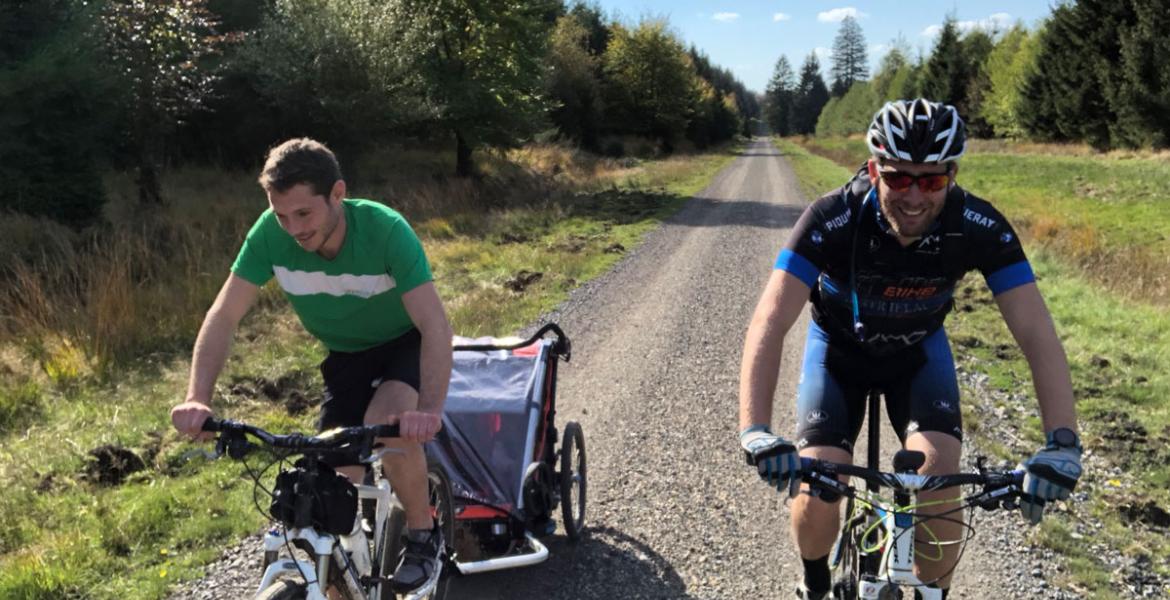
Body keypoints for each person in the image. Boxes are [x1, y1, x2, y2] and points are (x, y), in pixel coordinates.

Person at [737, 99, 1083, 600]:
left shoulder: (977, 225)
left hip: (917, 356)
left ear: (952, 175)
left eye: (932, 181)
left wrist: (1062, 441)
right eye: (899, 179)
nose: (915, 196)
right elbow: (769, 322)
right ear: (875, 169)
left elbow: (1036, 332)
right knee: (820, 487)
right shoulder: (831, 218)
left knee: (939, 491)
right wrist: (757, 430)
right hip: (838, 353)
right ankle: (813, 584)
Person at [170, 138, 453, 595]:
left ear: (337, 193)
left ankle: (423, 535)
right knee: (330, 482)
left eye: (304, 214)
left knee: (387, 426)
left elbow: (435, 324)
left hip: (404, 344)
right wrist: (197, 397)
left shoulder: (385, 230)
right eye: (281, 215)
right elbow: (223, 316)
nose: (293, 228)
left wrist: (430, 409)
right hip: (345, 356)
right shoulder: (269, 235)